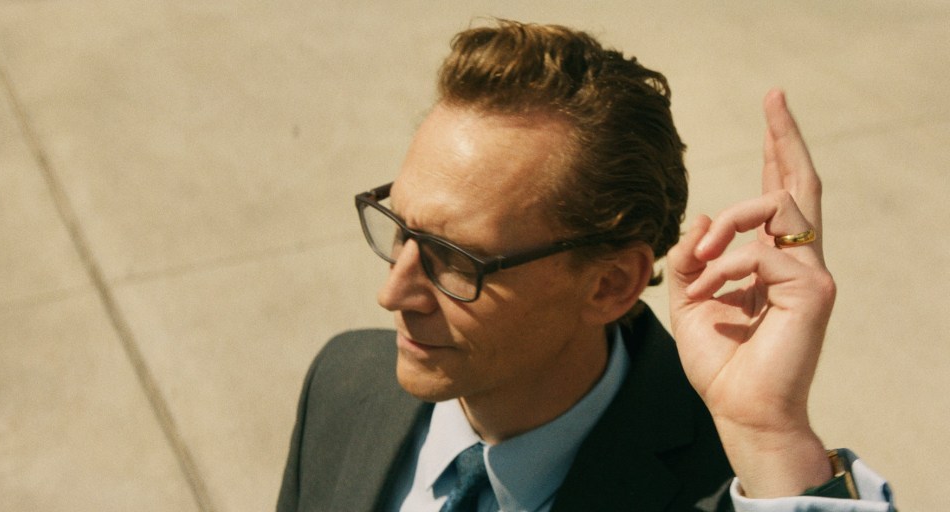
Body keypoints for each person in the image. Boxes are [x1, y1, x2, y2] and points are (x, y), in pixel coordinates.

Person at [278, 20, 895, 511]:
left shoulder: (737, 484)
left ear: (610, 284)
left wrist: (770, 434)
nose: (393, 293)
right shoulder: (344, 384)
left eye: (456, 260)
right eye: (400, 229)